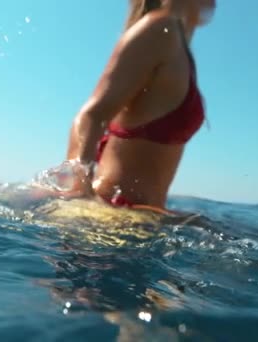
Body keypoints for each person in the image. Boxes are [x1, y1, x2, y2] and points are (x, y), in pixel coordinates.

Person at [63, 0, 216, 212]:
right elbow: (92, 115)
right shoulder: (160, 30)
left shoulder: (177, 43)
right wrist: (78, 191)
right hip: (112, 214)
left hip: (139, 219)